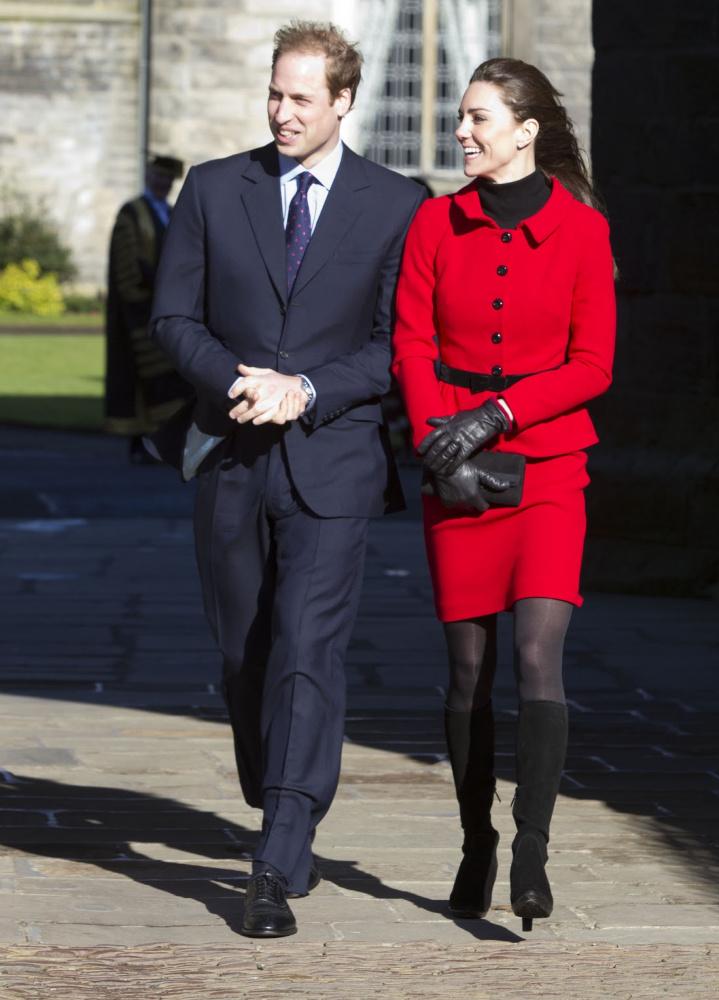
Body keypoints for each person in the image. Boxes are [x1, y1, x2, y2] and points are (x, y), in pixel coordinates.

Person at [149, 21, 425, 938]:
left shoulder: (396, 203)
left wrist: (303, 388)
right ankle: (280, 796)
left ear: (344, 101)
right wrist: (239, 381)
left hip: (334, 464)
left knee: (309, 651)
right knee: (247, 658)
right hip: (230, 457)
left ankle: (278, 846)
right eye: (275, 93)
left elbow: (394, 347)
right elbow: (174, 317)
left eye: (302, 98)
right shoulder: (213, 190)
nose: (282, 112)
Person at [392, 58, 616, 932]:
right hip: (456, 470)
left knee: (534, 658)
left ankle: (530, 849)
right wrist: (436, 441)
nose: (462, 132)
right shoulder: (434, 223)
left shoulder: (585, 233)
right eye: (459, 116)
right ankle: (475, 839)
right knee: (468, 671)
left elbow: (594, 365)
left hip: (552, 469)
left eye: (478, 118)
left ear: (525, 130)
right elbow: (410, 343)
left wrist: (498, 413)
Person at [104, 155, 192, 462]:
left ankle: (162, 444)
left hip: (169, 306)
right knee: (138, 374)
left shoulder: (170, 212)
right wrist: (148, 290)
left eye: (167, 178)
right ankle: (139, 444)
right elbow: (126, 263)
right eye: (157, 176)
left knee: (172, 377)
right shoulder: (132, 213)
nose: (162, 182)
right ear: (148, 176)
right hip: (138, 307)